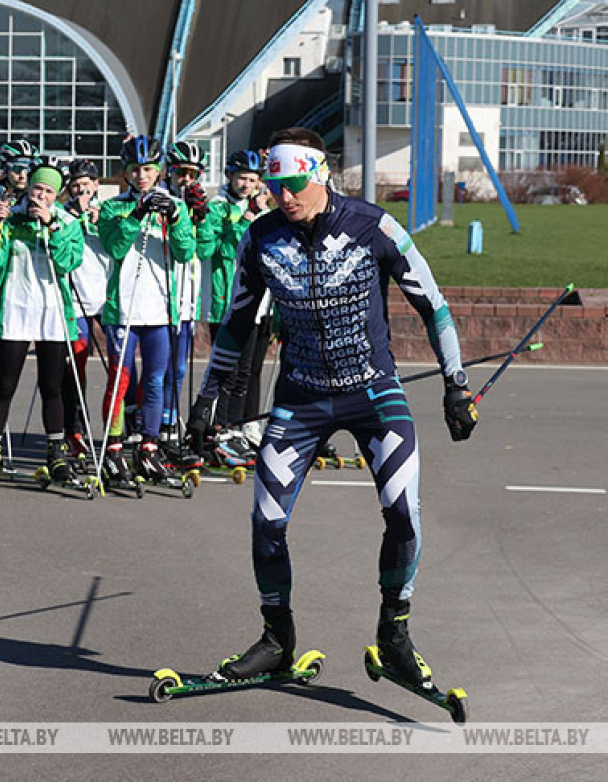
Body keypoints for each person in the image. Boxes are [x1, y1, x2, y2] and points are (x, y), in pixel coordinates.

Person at [187, 127, 477, 689]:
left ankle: (394, 635)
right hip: (301, 400)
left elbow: (434, 308)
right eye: (274, 186)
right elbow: (236, 323)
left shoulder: (375, 227)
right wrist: (206, 397)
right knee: (266, 521)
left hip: (373, 395)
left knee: (403, 514)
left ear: (319, 174)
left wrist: (456, 386)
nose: (282, 196)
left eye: (293, 184)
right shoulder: (262, 237)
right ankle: (277, 639)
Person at [0, 158, 83, 493]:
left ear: (56, 195)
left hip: (51, 312)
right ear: (28, 188)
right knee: (3, 384)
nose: (41, 196)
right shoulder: (9, 217)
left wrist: (52, 227)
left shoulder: (66, 221)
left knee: (52, 385)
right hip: (15, 309)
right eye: (37, 189)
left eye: (48, 191)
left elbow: (68, 263)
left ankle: (57, 450)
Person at [96, 136, 195, 487]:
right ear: (125, 173)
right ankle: (114, 446)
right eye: (135, 170)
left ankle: (150, 445)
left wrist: (176, 217)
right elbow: (114, 246)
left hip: (159, 310)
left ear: (159, 172)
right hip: (124, 309)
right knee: (120, 382)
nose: (142, 176)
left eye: (149, 170)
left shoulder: (173, 204)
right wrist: (137, 214)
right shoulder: (113, 207)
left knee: (155, 380)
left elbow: (185, 252)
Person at [197, 148, 272, 463]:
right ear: (229, 176)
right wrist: (241, 218)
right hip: (225, 300)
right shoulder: (217, 207)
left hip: (258, 302)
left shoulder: (262, 209)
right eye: (242, 178)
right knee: (227, 371)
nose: (247, 185)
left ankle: (238, 428)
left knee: (247, 371)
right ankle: (218, 429)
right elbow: (205, 246)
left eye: (253, 179)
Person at [155, 140, 208, 472]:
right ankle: (150, 429)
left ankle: (170, 423)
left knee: (180, 368)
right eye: (180, 173)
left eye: (192, 174)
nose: (186, 179)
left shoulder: (199, 202)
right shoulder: (162, 201)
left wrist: (198, 219)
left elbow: (201, 248)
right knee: (156, 370)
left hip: (187, 296)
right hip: (162, 295)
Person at [61, 158, 110, 460]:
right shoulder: (64, 216)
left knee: (120, 363)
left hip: (107, 298)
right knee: (75, 365)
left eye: (86, 185)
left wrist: (98, 221)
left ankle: (128, 427)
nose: (81, 190)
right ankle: (74, 430)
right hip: (76, 299)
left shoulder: (109, 211)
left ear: (96, 186)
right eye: (76, 186)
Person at [0, 139, 38, 207]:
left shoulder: (41, 199)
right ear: (6, 169)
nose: (23, 176)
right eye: (17, 169)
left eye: (28, 169)